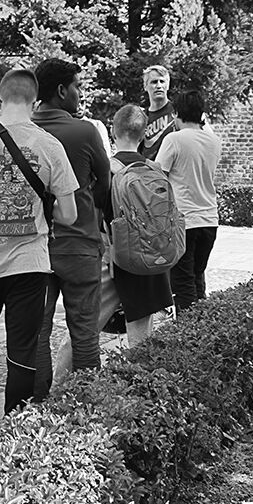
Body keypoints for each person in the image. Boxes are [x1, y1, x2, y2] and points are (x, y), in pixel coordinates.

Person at [0, 68, 79, 422]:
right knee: (21, 349)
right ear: (35, 102)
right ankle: (14, 425)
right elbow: (69, 214)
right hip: (30, 265)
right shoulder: (50, 146)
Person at [30, 59, 111, 401]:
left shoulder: (23, 131)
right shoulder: (85, 131)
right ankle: (86, 409)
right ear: (62, 91)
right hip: (79, 245)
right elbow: (105, 185)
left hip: (33, 249)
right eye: (77, 86)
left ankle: (36, 406)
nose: (80, 93)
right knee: (85, 332)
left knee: (37, 333)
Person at [103, 105, 175, 345]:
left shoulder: (107, 170)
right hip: (151, 256)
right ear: (144, 134)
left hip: (116, 258)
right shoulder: (155, 170)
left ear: (113, 132)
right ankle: (141, 381)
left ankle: (63, 383)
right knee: (141, 339)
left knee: (82, 333)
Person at [155, 90, 222, 314]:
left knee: (182, 283)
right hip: (210, 220)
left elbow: (156, 177)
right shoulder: (214, 141)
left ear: (176, 114)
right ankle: (199, 331)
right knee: (197, 277)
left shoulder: (174, 139)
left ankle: (187, 336)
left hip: (183, 220)